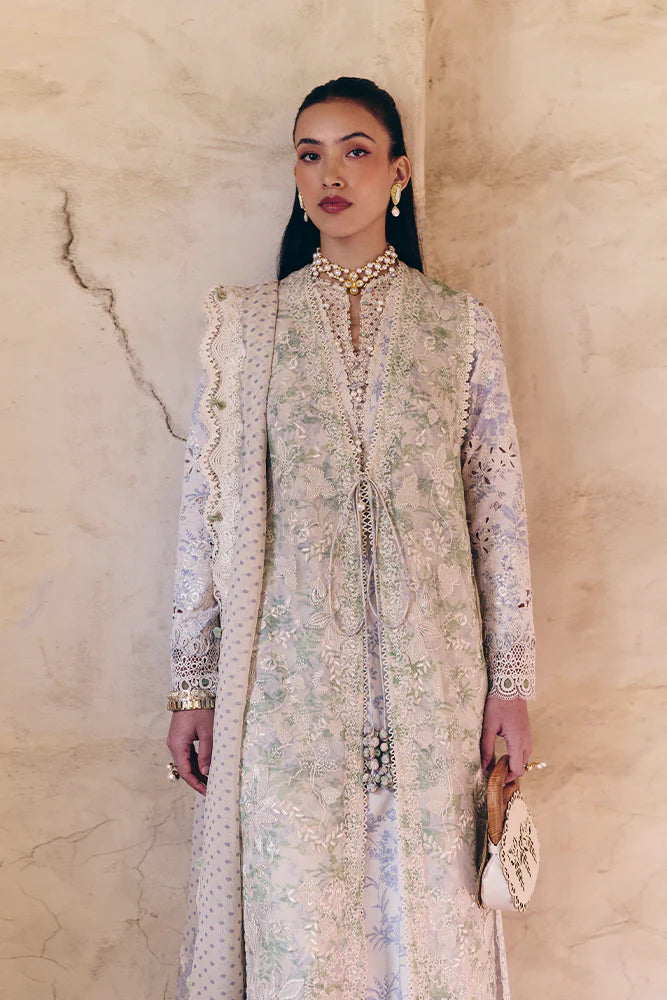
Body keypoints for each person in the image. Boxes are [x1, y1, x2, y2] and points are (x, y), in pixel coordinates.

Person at [166, 76, 536, 1000]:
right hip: (285, 693)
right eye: (310, 154)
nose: (331, 173)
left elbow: (495, 512)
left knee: (433, 929)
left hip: (435, 689)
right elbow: (205, 509)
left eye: (356, 150)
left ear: (398, 173)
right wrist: (192, 685)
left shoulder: (456, 326)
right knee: (299, 928)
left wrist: (510, 682)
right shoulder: (248, 326)